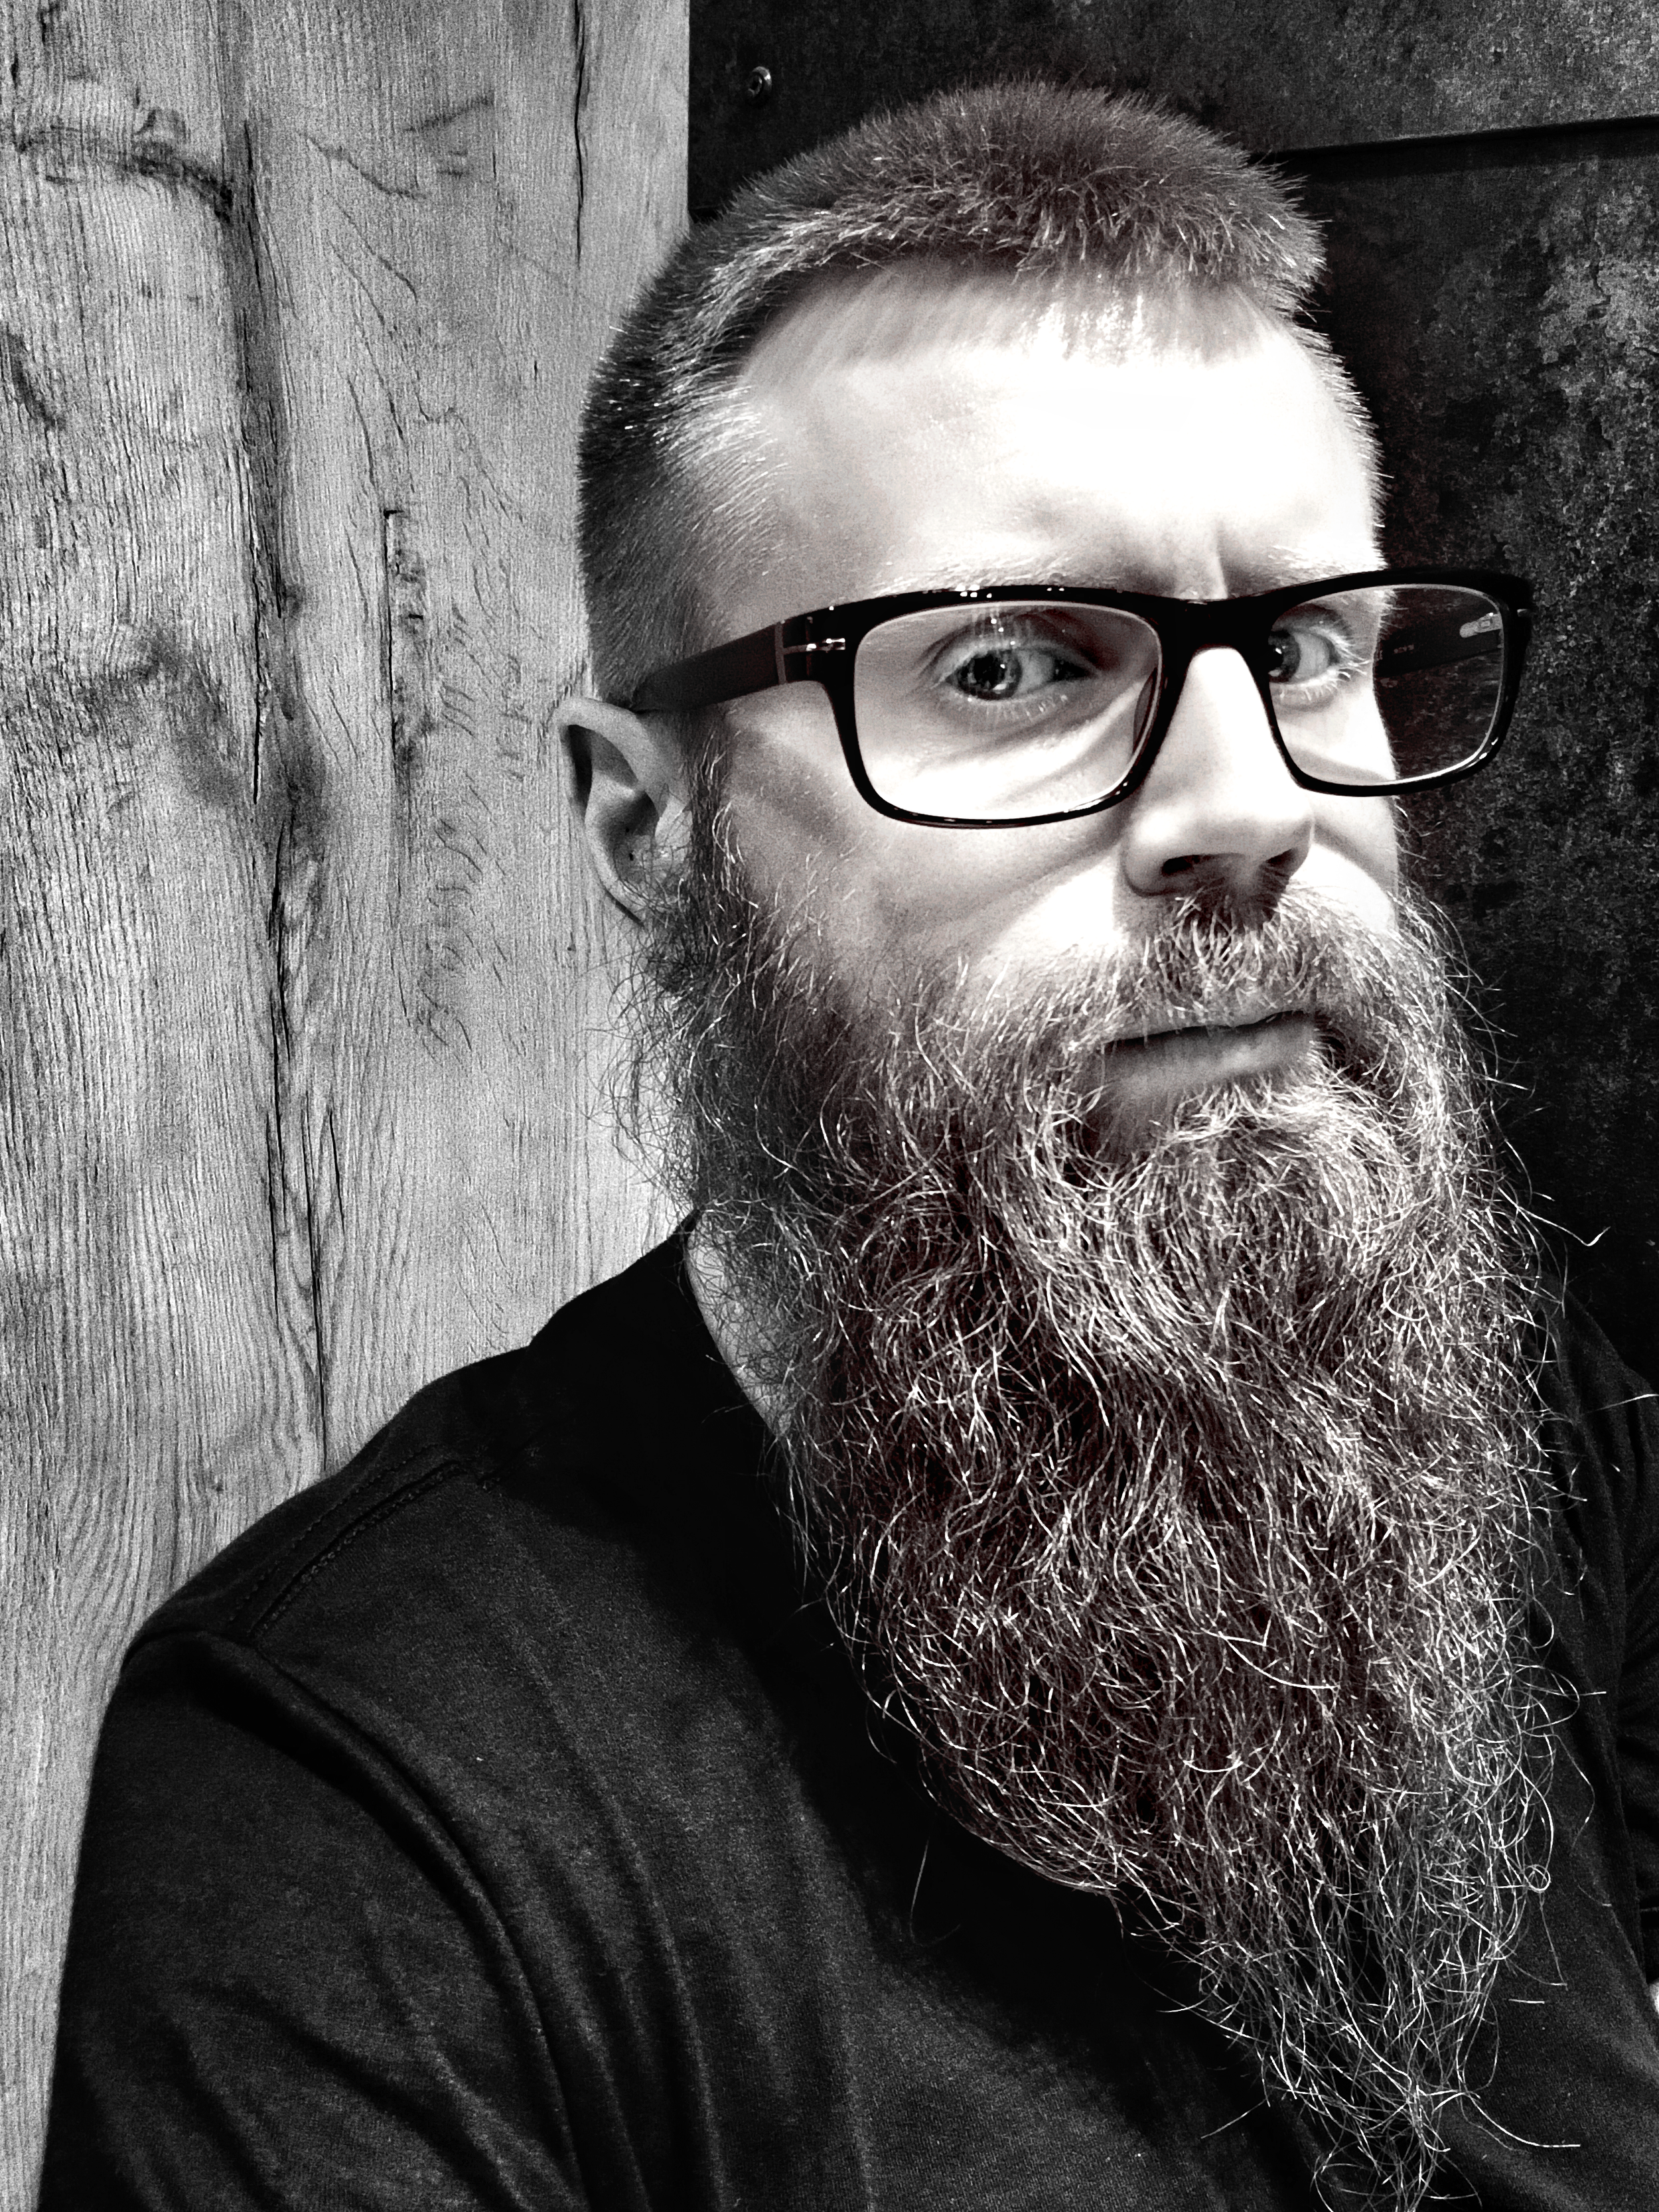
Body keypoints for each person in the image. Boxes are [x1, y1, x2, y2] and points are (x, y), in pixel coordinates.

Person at [42, 82, 1659, 2212]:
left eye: (1297, 648)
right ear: (647, 821)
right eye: (1009, 664)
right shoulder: (359, 1796)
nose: (1248, 805)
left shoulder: (1509, 1430)